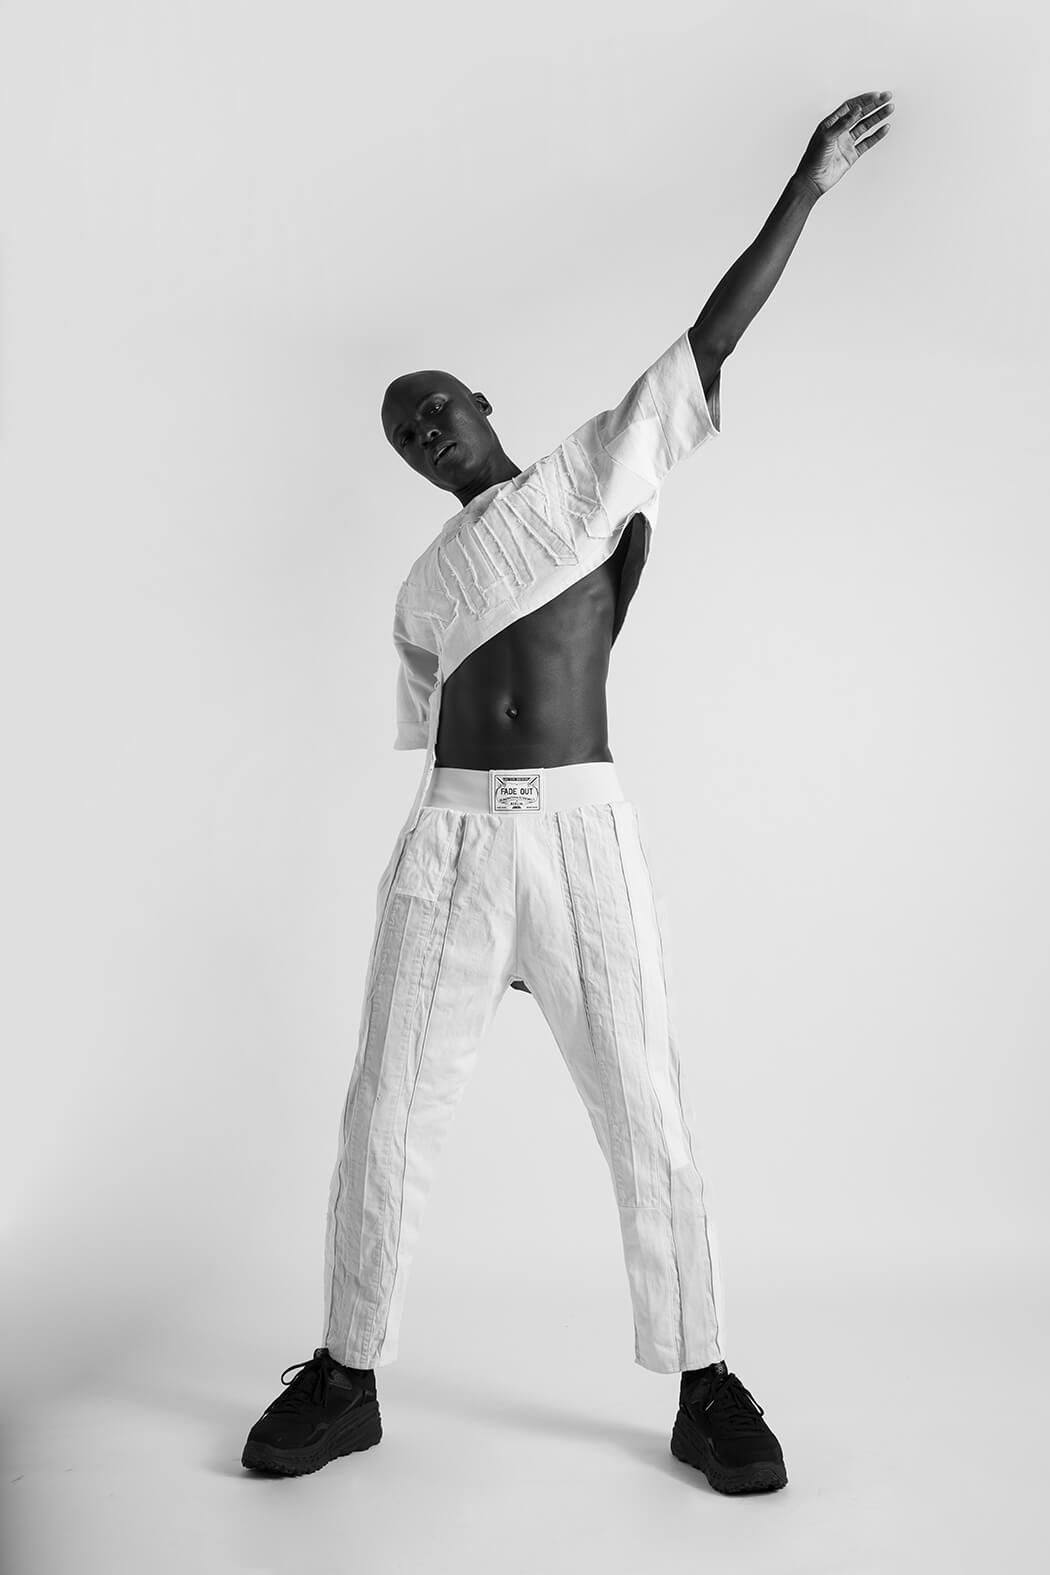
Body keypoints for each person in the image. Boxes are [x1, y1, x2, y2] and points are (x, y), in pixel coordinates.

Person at [241, 90, 894, 1492]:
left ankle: (703, 1379)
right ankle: (348, 1372)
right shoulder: (422, 590)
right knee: (384, 1107)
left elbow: (708, 339)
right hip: (450, 848)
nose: (424, 431)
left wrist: (805, 186)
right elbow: (436, 722)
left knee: (644, 1105)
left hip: (582, 838)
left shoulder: (591, 478)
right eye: (403, 433)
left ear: (481, 403)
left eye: (434, 406)